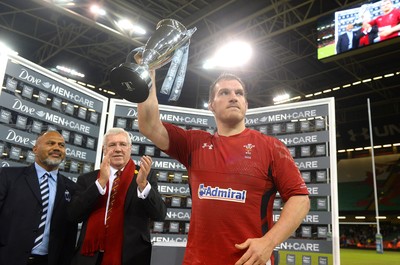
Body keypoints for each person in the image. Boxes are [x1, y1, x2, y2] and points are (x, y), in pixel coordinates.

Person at [137, 70, 310, 265]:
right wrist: (148, 71)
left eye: (239, 93)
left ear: (246, 104)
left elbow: (300, 199)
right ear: (211, 105)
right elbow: (148, 124)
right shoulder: (194, 144)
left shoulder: (271, 147)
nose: (234, 97)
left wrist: (269, 242)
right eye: (224, 93)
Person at [68, 127, 167, 265]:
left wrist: (143, 185)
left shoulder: (146, 175)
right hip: (90, 257)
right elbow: (74, 215)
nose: (118, 149)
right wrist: (100, 183)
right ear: (104, 150)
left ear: (130, 148)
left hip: (130, 256)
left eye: (123, 144)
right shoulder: (88, 179)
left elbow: (159, 214)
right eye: (112, 145)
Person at [0, 130, 78, 265]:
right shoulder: (8, 176)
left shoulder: (71, 187)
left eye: (61, 145)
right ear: (35, 149)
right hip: (7, 258)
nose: (57, 148)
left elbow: (70, 233)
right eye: (50, 143)